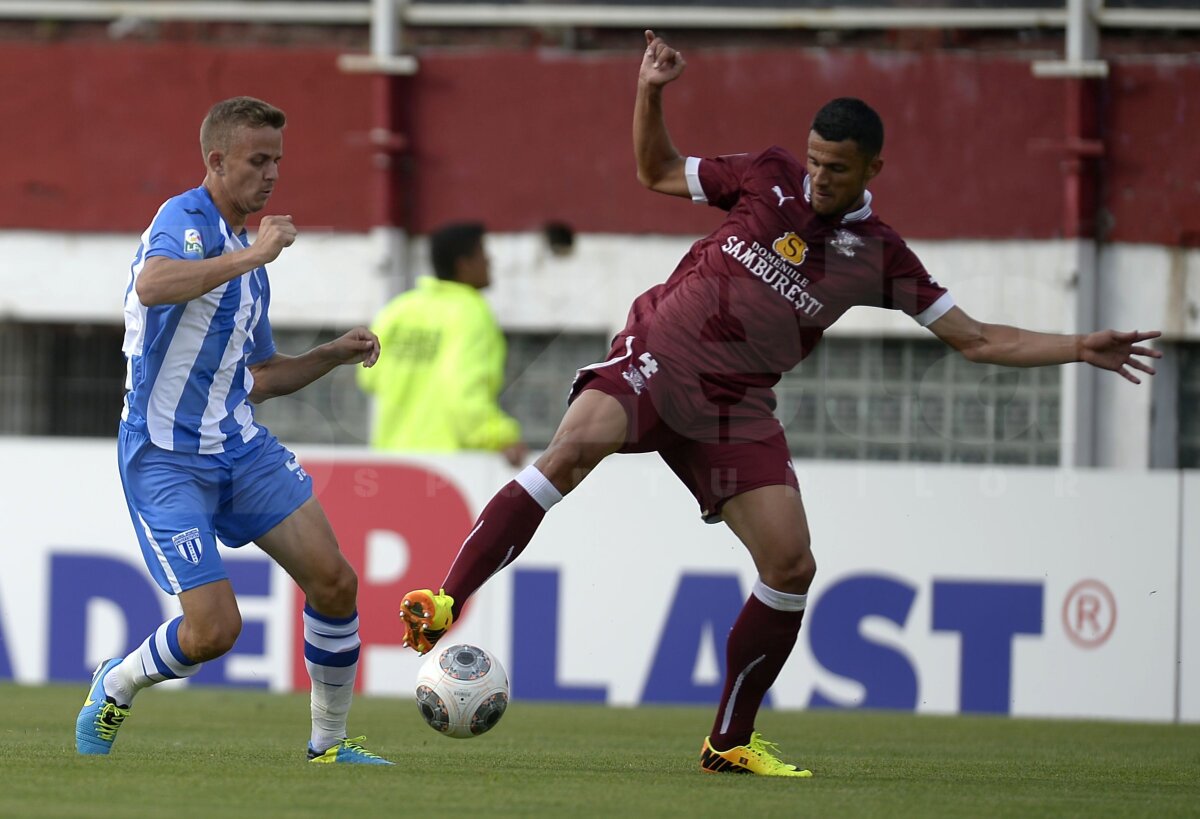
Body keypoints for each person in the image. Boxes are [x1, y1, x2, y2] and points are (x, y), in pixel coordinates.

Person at [397, 31, 1162, 777]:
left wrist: (1077, 346)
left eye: (838, 169)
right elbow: (656, 170)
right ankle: (445, 597)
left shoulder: (880, 256)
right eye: (818, 160)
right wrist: (649, 91)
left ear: (873, 168)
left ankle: (729, 740)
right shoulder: (766, 175)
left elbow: (979, 339)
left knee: (791, 564)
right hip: (662, 356)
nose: (820, 179)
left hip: (736, 409)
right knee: (568, 452)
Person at [75, 96, 390, 765]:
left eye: (277, 159)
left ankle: (328, 746)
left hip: (238, 447)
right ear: (216, 161)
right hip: (164, 457)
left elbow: (262, 375)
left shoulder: (250, 265)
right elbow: (155, 284)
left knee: (335, 581)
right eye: (257, 160)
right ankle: (117, 682)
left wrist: (329, 354)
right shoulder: (184, 218)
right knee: (214, 630)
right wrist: (257, 256)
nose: (272, 174)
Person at [358, 222, 527, 466]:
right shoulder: (472, 313)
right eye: (483, 254)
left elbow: (369, 378)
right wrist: (501, 436)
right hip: (448, 467)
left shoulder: (399, 309)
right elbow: (464, 391)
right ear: (464, 264)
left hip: (390, 462)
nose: (490, 262)